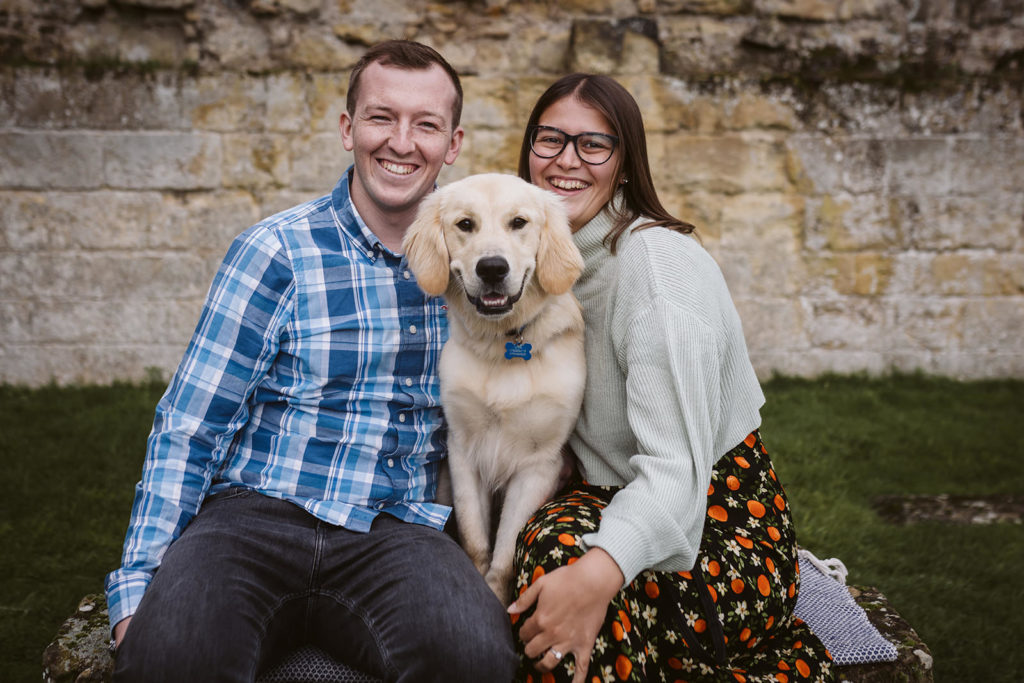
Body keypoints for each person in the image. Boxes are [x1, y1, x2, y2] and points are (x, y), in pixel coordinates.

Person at [105, 40, 518, 683]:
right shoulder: (276, 251)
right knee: (170, 659)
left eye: (426, 125)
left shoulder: (481, 259)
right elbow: (192, 423)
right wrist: (138, 588)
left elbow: (516, 354)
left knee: (476, 658)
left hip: (396, 529)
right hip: (252, 518)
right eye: (382, 118)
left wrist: (525, 355)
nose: (402, 143)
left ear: (454, 144)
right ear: (348, 129)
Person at [507, 74, 835, 683]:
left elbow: (678, 472)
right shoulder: (543, 260)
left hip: (718, 520)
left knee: (562, 566)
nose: (566, 160)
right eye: (549, 140)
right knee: (513, 550)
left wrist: (598, 575)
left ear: (625, 164)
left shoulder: (658, 269)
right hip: (609, 490)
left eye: (593, 145)